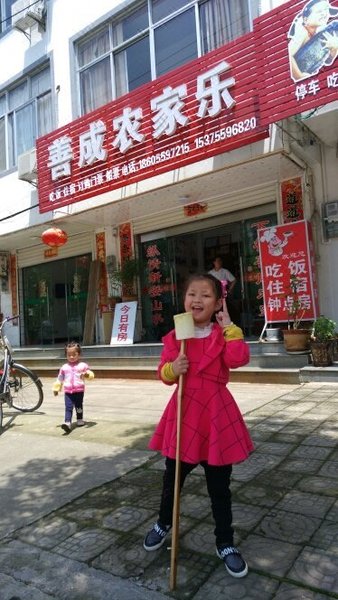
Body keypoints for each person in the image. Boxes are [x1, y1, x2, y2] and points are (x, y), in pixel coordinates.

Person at [143, 273, 253, 578]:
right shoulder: (178, 336)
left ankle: (225, 542)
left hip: (216, 417)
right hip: (184, 416)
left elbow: (238, 359)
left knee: (220, 487)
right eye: (192, 294)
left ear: (218, 303)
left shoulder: (224, 334)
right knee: (172, 479)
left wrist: (229, 327)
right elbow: (163, 375)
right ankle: (163, 523)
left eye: (206, 295)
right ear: (184, 300)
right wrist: (172, 368)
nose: (197, 300)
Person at [288, 0, 338, 81]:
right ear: (305, 19)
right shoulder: (302, 32)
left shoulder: (319, 32)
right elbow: (289, 55)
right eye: (319, 11)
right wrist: (300, 76)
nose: (324, 14)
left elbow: (326, 62)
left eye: (326, 10)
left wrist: (334, 49)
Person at [52, 341, 94, 433]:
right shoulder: (64, 367)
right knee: (68, 407)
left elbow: (90, 374)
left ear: (79, 354)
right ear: (66, 355)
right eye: (69, 355)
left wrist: (87, 375)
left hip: (79, 390)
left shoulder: (83, 365)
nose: (71, 357)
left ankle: (80, 419)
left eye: (74, 354)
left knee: (79, 406)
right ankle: (67, 422)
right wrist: (56, 388)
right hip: (68, 391)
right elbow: (60, 378)